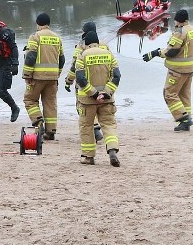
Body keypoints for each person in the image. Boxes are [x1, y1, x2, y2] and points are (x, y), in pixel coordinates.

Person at [142, 9, 193, 132]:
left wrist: (156, 53)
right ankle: (187, 119)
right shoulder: (191, 29)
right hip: (190, 69)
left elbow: (172, 51)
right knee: (184, 95)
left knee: (169, 94)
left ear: (178, 20)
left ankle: (183, 119)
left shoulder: (179, 31)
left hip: (178, 70)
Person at [75, 31, 121, 167]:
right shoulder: (109, 54)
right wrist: (106, 93)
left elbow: (80, 79)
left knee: (86, 126)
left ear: (86, 43)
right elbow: (117, 76)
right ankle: (112, 149)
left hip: (87, 101)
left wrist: (94, 94)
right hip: (107, 99)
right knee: (109, 124)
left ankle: (88, 157)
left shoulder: (82, 56)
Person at [22, 13, 65, 139]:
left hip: (37, 77)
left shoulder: (35, 37)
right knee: (50, 103)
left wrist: (27, 75)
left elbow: (30, 57)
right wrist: (57, 73)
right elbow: (62, 59)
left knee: (29, 100)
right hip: (52, 78)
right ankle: (50, 131)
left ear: (37, 23)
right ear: (48, 24)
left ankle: (38, 121)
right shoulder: (57, 38)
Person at [64, 21, 105, 143]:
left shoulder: (81, 46)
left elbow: (74, 66)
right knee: (100, 107)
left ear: (85, 32)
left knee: (83, 108)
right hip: (102, 83)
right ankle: (97, 127)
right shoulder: (103, 45)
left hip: (84, 84)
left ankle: (95, 128)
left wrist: (68, 81)